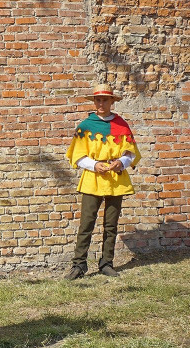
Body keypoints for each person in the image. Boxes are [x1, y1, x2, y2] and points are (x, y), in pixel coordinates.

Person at [65, 83, 141, 280]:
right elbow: (77, 155)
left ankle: (106, 263)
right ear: (94, 101)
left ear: (111, 101)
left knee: (111, 224)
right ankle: (79, 265)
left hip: (116, 179)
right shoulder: (85, 126)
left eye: (105, 100)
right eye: (98, 100)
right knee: (86, 223)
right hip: (93, 178)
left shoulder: (121, 125)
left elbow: (131, 153)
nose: (101, 103)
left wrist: (121, 162)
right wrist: (94, 165)